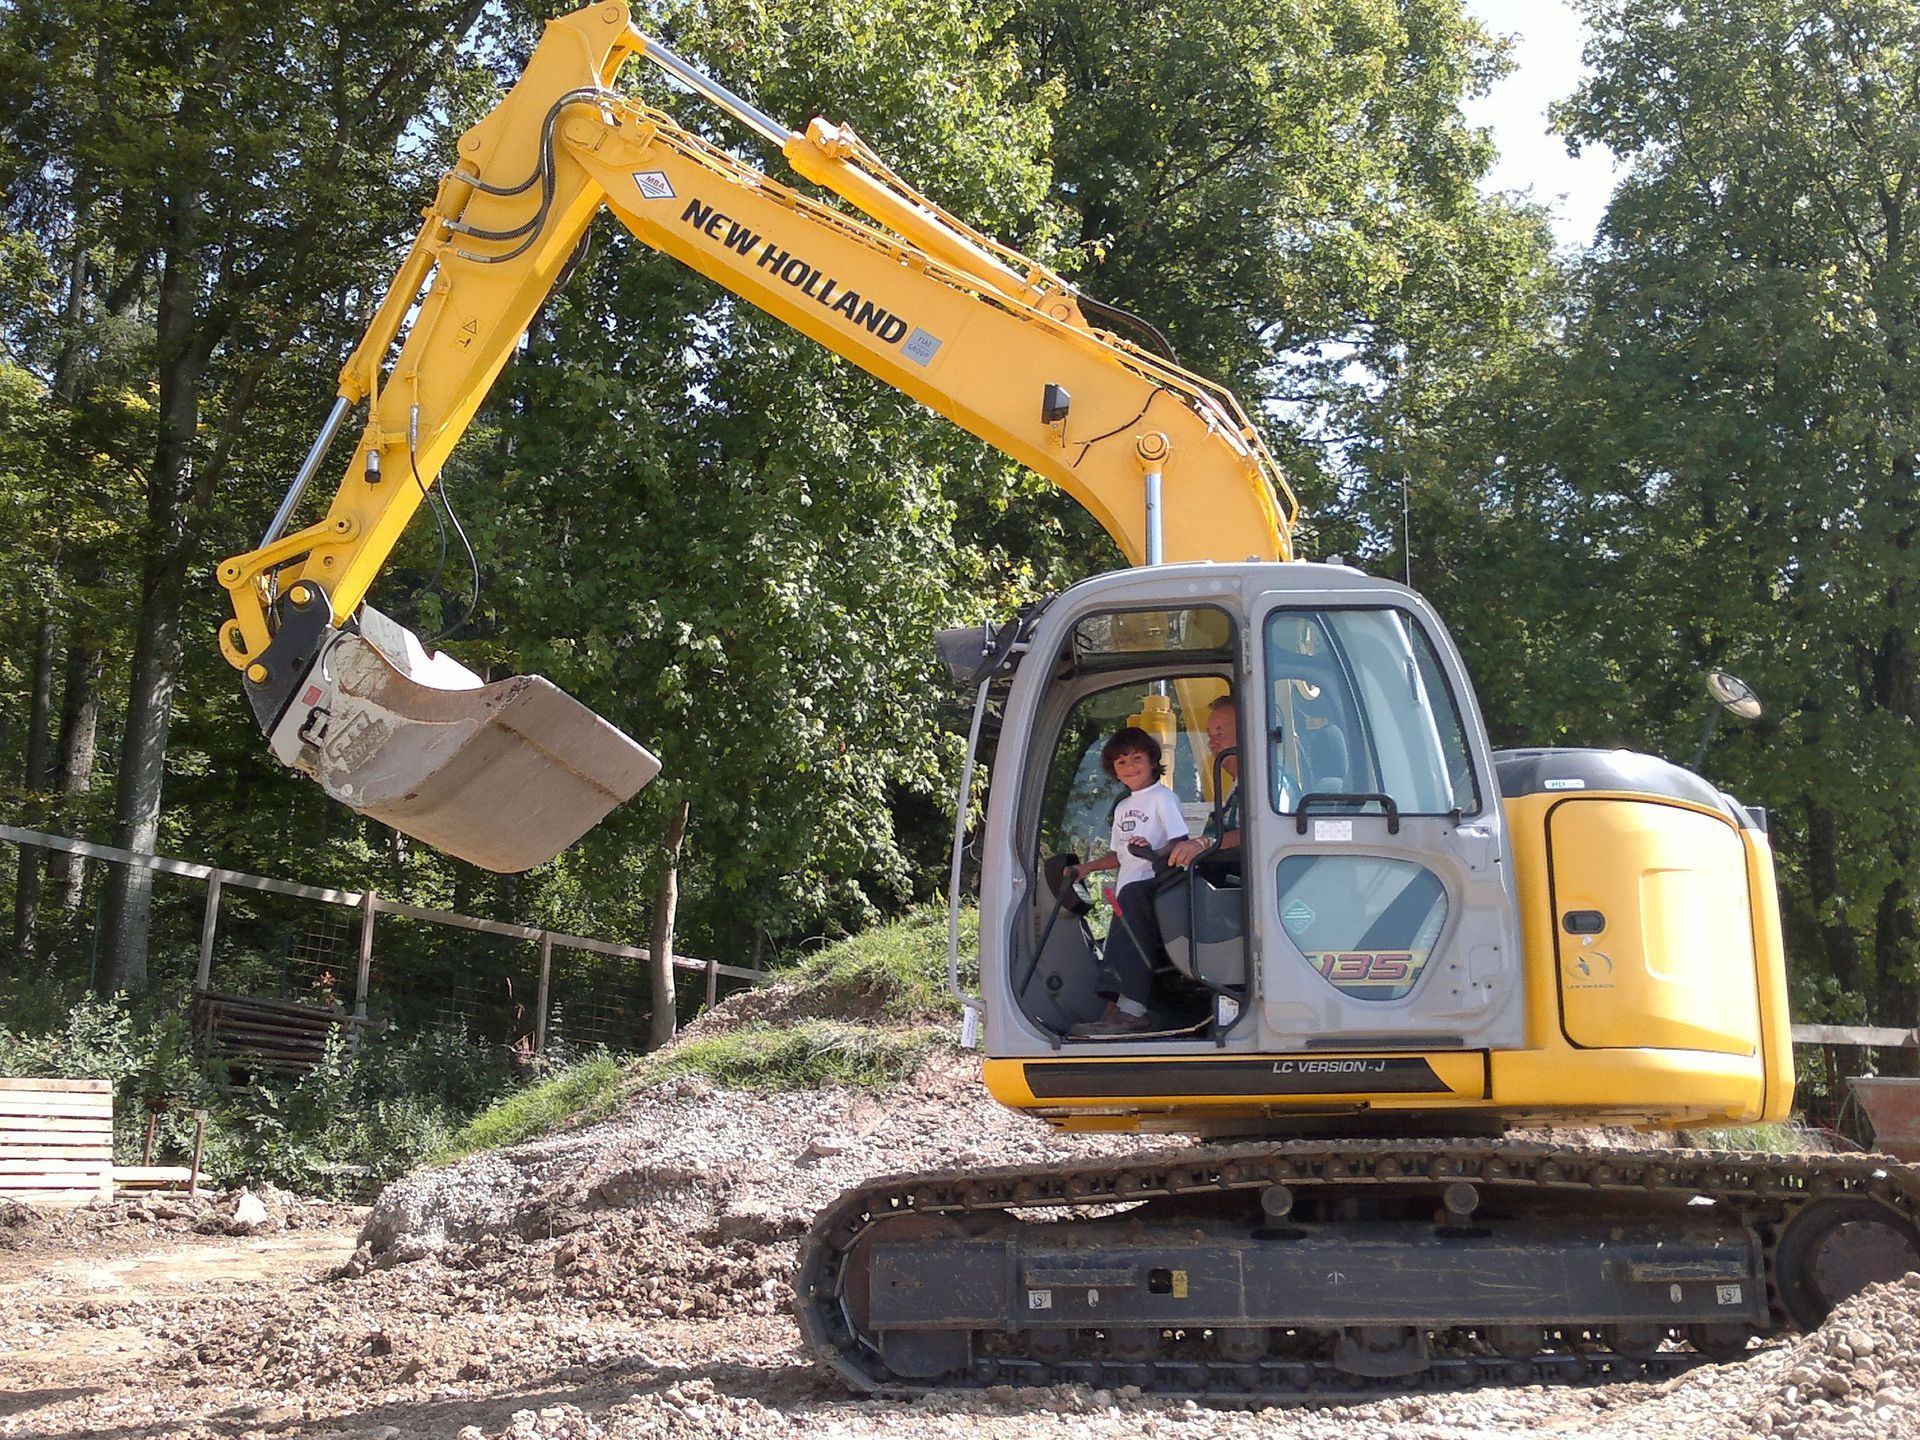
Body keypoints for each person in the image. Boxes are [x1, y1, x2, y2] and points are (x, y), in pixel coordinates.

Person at [1062, 725, 1188, 1036]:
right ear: (1114, 772)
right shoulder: (1123, 807)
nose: (1130, 767)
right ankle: (1110, 1015)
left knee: (1128, 945)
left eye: (1136, 759)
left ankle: (1131, 1012)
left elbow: (1179, 841)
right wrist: (1086, 868)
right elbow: (1119, 855)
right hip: (1128, 888)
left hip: (1152, 886)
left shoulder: (1162, 798)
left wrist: (1154, 852)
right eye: (1122, 763)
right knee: (1118, 945)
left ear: (1151, 761)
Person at [1169, 696, 1239, 869]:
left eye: (1220, 734)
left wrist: (1206, 843)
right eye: (1210, 736)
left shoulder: (1270, 788)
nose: (1211, 744)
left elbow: (1263, 832)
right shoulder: (1239, 785)